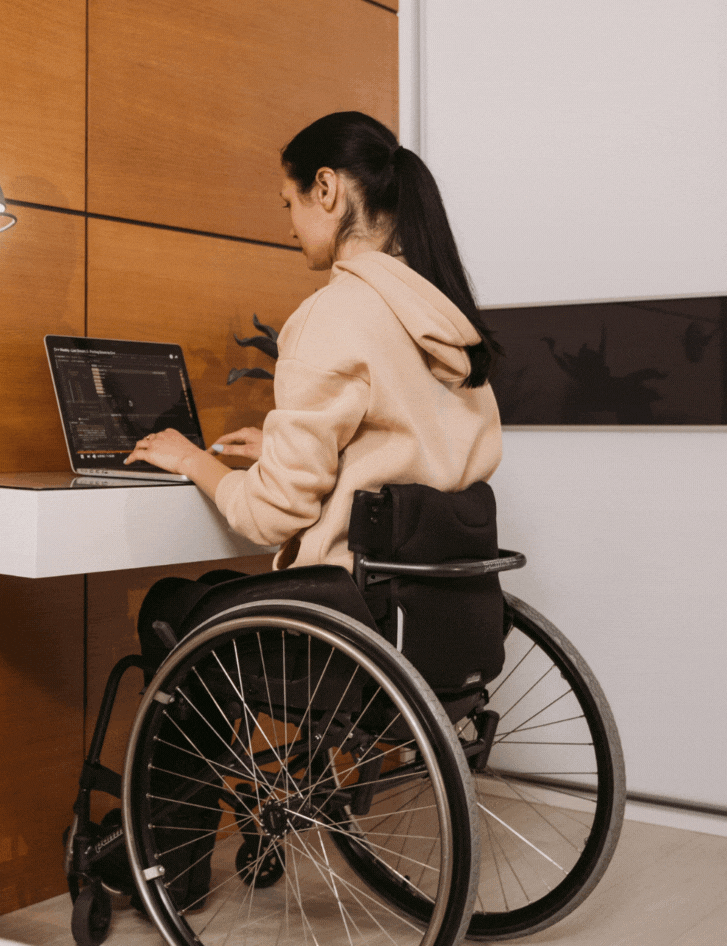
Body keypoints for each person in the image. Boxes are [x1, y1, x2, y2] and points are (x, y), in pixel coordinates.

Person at [121, 109, 504, 911]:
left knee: (173, 607)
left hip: (350, 620)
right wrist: (276, 442)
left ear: (326, 190)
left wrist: (189, 460)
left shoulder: (336, 313)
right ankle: (246, 812)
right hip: (440, 616)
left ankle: (174, 867)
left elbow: (269, 519)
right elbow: (407, 448)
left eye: (290, 205)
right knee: (209, 607)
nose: (291, 227)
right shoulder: (441, 319)